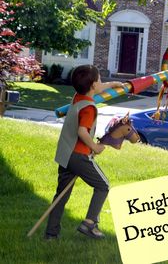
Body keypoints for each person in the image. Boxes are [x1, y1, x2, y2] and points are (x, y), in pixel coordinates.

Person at [44, 65, 123, 240]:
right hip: (78, 156)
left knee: (61, 195)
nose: (102, 83)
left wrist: (115, 83)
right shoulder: (89, 108)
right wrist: (94, 147)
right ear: (94, 85)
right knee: (103, 185)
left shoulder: (77, 98)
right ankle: (89, 224)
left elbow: (98, 87)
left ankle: (51, 234)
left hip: (65, 154)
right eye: (100, 80)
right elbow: (82, 131)